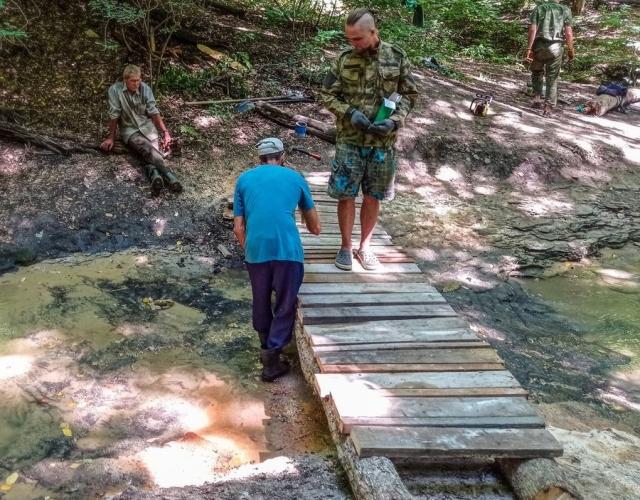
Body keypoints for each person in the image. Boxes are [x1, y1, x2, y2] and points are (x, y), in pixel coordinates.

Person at [321, 8, 417, 271]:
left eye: (358, 39)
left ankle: (365, 247)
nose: (353, 44)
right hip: (349, 140)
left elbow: (409, 95)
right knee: (346, 195)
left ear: (374, 32)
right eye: (349, 39)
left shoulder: (396, 57)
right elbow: (327, 95)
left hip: (382, 145)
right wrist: (349, 113)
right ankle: (345, 247)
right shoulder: (343, 59)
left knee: (373, 197)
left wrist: (395, 120)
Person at [233, 138, 321, 382]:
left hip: (256, 251)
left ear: (259, 159)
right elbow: (316, 228)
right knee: (285, 302)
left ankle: (265, 348)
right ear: (282, 157)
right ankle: (272, 359)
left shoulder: (244, 179)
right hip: (287, 252)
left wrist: (249, 251)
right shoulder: (295, 178)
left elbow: (238, 228)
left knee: (260, 299)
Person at [100, 64, 182, 195]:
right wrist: (111, 137)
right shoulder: (114, 90)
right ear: (125, 80)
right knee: (147, 148)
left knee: (151, 153)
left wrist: (165, 133)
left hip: (147, 127)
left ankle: (155, 176)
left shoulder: (145, 89)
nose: (136, 83)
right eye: (133, 81)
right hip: (130, 129)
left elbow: (154, 112)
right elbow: (114, 115)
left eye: (138, 80)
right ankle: (169, 175)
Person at [524, 0, 575, 116]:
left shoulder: (539, 8)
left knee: (536, 71)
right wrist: (570, 49)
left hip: (539, 47)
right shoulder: (565, 10)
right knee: (552, 78)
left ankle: (537, 98)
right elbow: (568, 33)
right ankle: (548, 108)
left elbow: (533, 29)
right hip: (556, 47)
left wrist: (529, 49)